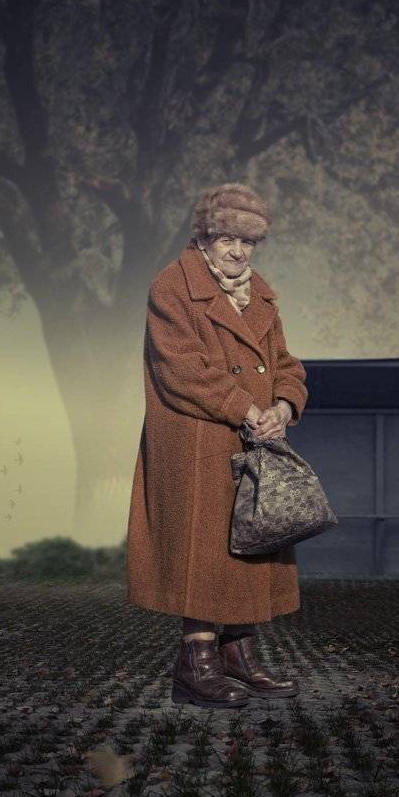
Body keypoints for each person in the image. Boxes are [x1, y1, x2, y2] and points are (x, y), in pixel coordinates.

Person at [125, 182, 309, 709]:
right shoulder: (172, 288)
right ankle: (196, 662)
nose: (237, 251)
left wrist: (283, 406)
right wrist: (247, 410)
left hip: (251, 440)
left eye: (248, 242)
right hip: (197, 439)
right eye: (227, 238)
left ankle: (239, 654)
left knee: (251, 539)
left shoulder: (261, 292)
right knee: (203, 548)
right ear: (203, 237)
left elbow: (287, 365)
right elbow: (181, 371)